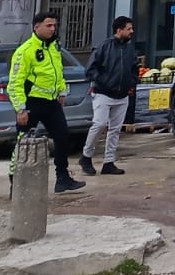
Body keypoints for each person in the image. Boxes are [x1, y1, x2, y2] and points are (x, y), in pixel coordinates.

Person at [8, 11, 85, 193]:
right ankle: (15, 183)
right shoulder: (25, 51)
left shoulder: (54, 47)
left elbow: (58, 71)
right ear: (37, 27)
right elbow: (15, 83)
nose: (53, 29)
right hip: (32, 103)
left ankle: (63, 178)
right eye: (48, 25)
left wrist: (62, 91)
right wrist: (20, 109)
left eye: (54, 25)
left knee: (62, 137)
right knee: (22, 143)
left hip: (51, 103)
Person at [80, 16, 138, 176]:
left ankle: (109, 162)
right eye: (129, 28)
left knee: (115, 130)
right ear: (119, 30)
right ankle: (86, 156)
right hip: (103, 94)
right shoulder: (104, 47)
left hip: (122, 95)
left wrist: (131, 83)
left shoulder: (129, 50)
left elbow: (134, 68)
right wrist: (104, 82)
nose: (132, 31)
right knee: (99, 124)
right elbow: (90, 69)